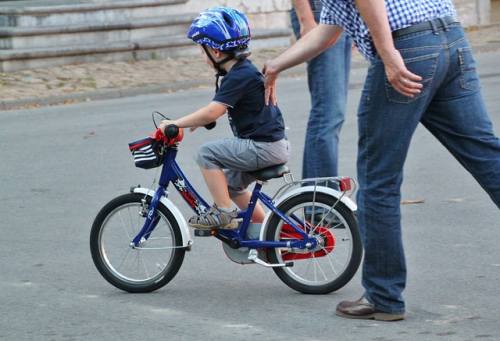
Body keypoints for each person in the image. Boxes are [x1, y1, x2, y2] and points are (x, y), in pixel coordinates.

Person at [264, 0, 500, 321]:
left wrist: (387, 54)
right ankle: (383, 293)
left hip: (406, 46)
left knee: (379, 180)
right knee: (487, 156)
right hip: (451, 39)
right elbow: (328, 34)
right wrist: (276, 65)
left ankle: (383, 295)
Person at [159, 7, 290, 230]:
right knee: (230, 187)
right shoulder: (240, 72)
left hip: (263, 147)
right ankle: (267, 230)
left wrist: (175, 123)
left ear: (216, 52)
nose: (203, 56)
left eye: (203, 51)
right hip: (271, 145)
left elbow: (213, 111)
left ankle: (223, 211)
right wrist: (198, 121)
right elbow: (218, 108)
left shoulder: (239, 76)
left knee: (206, 153)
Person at [290, 0, 351, 180]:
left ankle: (317, 198)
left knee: (332, 114)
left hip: (340, 13)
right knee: (328, 113)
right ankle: (319, 200)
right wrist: (305, 17)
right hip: (318, 13)